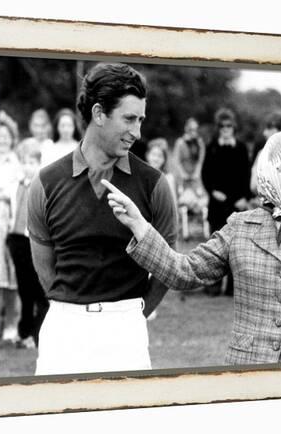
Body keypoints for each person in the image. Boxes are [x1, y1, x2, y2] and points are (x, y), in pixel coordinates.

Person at [102, 129, 281, 364]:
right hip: (247, 373)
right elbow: (184, 272)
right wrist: (140, 226)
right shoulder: (240, 227)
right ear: (276, 172)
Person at [27, 62, 177, 375]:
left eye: (141, 120)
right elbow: (45, 270)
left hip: (126, 332)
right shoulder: (44, 184)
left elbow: (167, 266)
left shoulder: (154, 184)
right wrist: (73, 308)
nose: (137, 132)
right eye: (129, 119)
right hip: (62, 332)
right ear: (98, 113)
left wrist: (132, 314)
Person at [201, 108, 250, 296]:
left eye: (229, 126)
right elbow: (205, 173)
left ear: (234, 127)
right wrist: (213, 191)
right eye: (222, 126)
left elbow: (246, 173)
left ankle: (232, 288)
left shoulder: (242, 147)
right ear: (218, 128)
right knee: (215, 245)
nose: (225, 129)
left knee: (235, 248)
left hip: (236, 204)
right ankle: (213, 286)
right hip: (217, 204)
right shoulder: (212, 146)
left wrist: (244, 197)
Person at [6, 149, 50, 349]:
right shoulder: (16, 185)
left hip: (33, 240)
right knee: (23, 289)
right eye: (25, 162)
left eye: (32, 162)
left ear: (38, 164)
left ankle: (37, 333)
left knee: (37, 290)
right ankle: (23, 332)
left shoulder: (41, 186)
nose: (28, 166)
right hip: (16, 240)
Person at [0, 110, 22, 342]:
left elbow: (15, 192)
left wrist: (1, 193)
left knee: (9, 271)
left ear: (12, 138)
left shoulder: (15, 163)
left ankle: (11, 324)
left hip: (8, 220)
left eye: (5, 136)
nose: (1, 140)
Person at [173, 117, 209, 240]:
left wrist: (197, 173)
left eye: (195, 129)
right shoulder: (180, 142)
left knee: (201, 199)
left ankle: (200, 228)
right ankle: (184, 229)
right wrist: (183, 173)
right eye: (191, 128)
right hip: (183, 179)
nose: (193, 131)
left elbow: (200, 160)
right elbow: (177, 161)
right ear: (186, 128)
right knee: (183, 200)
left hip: (195, 178)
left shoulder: (199, 142)